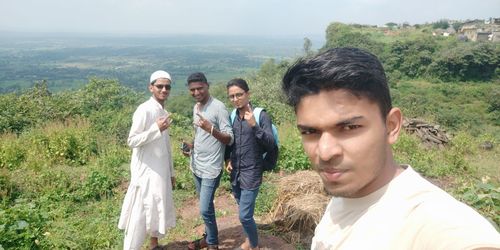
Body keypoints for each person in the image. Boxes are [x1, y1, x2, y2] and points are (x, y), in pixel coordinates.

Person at [281, 48, 500, 250]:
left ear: (392, 126)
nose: (325, 152)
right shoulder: (347, 195)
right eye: (310, 132)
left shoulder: (436, 222)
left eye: (349, 127)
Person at [118, 70, 176, 250]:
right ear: (151, 88)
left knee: (156, 208)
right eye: (160, 86)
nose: (164, 89)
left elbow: (165, 145)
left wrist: (171, 172)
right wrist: (156, 129)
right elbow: (132, 140)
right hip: (145, 173)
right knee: (139, 215)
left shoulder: (162, 110)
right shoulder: (144, 109)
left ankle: (154, 244)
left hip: (160, 172)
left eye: (167, 86)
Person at [225, 78, 277, 250]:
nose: (235, 99)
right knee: (243, 209)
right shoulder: (232, 116)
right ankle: (250, 238)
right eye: (231, 96)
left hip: (253, 171)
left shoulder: (261, 115)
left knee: (245, 215)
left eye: (239, 95)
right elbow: (231, 142)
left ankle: (253, 244)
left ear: (248, 94)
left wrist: (254, 126)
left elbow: (270, 143)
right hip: (236, 172)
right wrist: (228, 159)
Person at [184, 72, 233, 250]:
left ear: (207, 86)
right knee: (205, 206)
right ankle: (208, 237)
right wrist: (191, 147)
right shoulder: (196, 107)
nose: (196, 92)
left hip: (212, 168)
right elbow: (199, 134)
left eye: (200, 88)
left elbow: (229, 138)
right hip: (196, 165)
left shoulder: (218, 107)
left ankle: (212, 243)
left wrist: (211, 129)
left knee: (204, 208)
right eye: (193, 90)